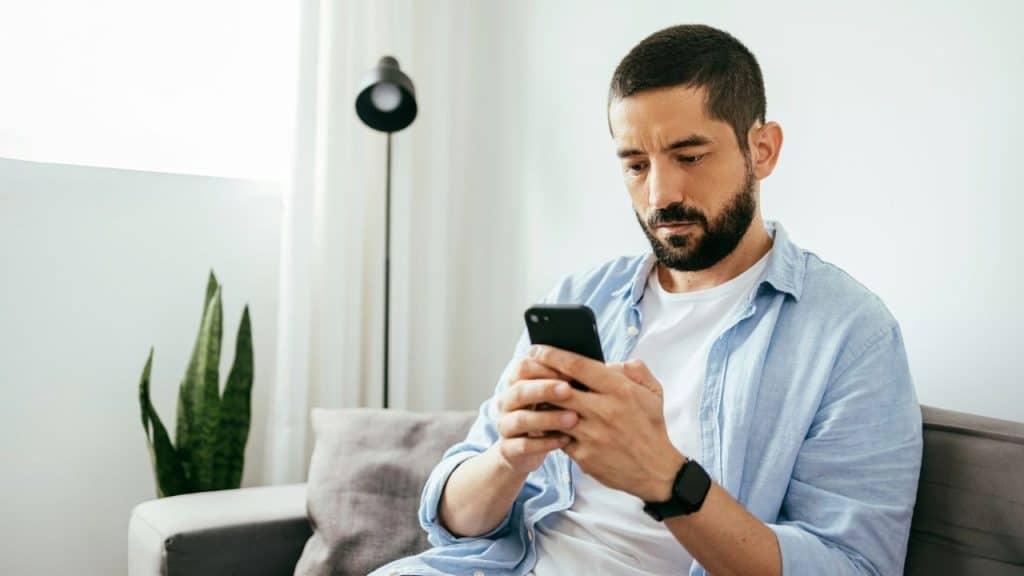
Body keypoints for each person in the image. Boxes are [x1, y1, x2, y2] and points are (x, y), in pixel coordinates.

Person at [373, 23, 922, 576]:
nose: (660, 194)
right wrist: (509, 458)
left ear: (762, 150)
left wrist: (665, 477)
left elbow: (854, 566)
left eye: (690, 156)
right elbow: (452, 521)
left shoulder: (850, 335)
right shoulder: (585, 296)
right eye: (636, 165)